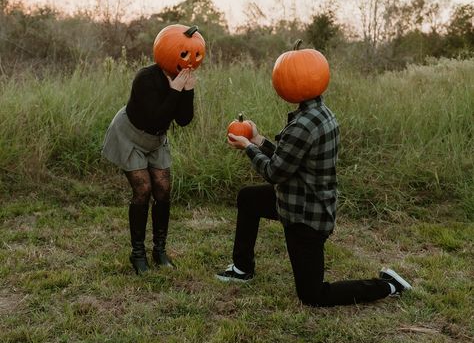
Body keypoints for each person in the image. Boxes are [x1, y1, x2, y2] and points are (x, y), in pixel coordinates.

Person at [217, 95, 412, 306]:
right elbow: (289, 159)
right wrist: (258, 140)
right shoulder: (319, 114)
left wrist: (248, 147)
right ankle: (242, 269)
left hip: (305, 215)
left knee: (313, 295)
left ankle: (389, 285)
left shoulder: (302, 125)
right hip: (297, 197)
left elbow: (274, 172)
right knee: (248, 198)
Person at [102, 64, 196, 274]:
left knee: (163, 187)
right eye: (183, 53)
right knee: (143, 189)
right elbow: (156, 117)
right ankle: (137, 254)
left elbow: (183, 120)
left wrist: (188, 90)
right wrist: (174, 90)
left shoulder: (180, 77)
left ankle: (159, 251)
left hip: (156, 139)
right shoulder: (145, 78)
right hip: (130, 135)